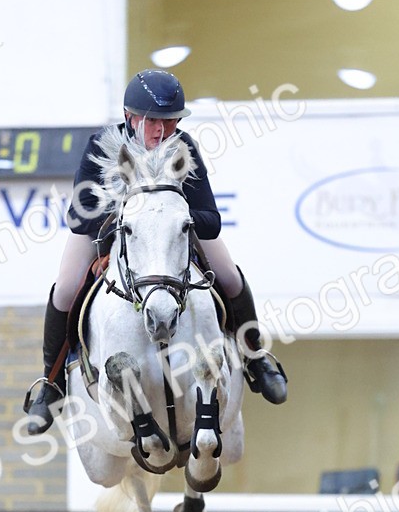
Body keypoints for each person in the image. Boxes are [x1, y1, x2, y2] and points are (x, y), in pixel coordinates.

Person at [23, 69, 287, 434]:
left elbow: (210, 220)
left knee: (228, 274)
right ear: (130, 117)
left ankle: (256, 357)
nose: (161, 131)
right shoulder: (102, 145)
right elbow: (78, 216)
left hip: (171, 234)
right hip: (108, 233)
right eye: (152, 122)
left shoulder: (183, 147)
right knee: (67, 288)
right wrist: (131, 213)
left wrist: (169, 213)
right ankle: (50, 383)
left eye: (170, 121)